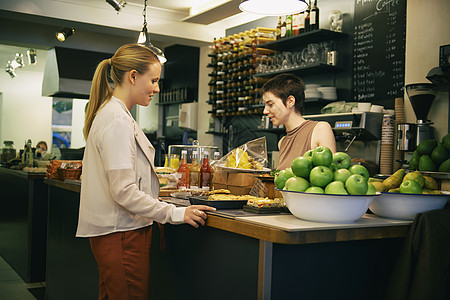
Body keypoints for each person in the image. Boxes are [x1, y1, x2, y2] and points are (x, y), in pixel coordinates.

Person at [76, 43, 216, 300]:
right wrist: (175, 213)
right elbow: (123, 191)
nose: (157, 88)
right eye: (153, 80)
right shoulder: (117, 120)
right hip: (121, 234)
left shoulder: (115, 114)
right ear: (132, 76)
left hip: (118, 232)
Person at [261, 73, 336, 170]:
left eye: (270, 104)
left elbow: (331, 175)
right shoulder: (282, 142)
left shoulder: (320, 129)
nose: (265, 111)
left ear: (290, 101)